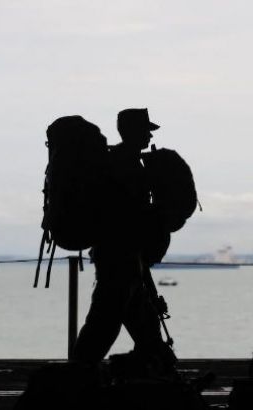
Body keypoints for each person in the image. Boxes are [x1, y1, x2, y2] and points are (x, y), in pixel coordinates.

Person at [73, 108, 176, 375]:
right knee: (104, 323)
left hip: (127, 257)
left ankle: (164, 368)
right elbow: (127, 213)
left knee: (142, 323)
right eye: (145, 130)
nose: (148, 135)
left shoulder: (123, 161)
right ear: (130, 131)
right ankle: (76, 376)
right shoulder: (123, 164)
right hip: (120, 257)